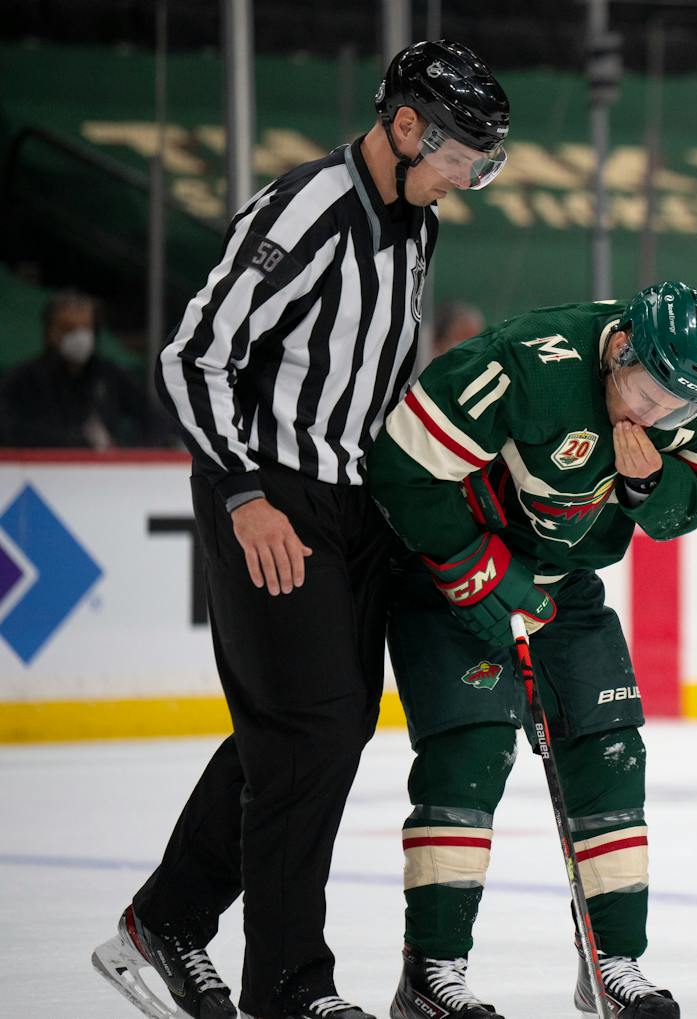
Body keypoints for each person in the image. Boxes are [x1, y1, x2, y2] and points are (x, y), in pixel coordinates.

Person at [90, 40, 510, 1019]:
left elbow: (371, 373)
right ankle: (286, 985)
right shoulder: (306, 209)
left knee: (317, 726)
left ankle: (168, 919)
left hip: (350, 498)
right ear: (405, 127)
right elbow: (195, 356)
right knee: (308, 726)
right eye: (461, 156)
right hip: (269, 494)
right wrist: (241, 491)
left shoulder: (417, 223)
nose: (467, 179)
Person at [365, 280, 697, 1019]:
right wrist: (479, 572)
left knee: (611, 749)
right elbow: (399, 465)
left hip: (564, 580)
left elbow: (694, 498)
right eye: (646, 392)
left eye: (677, 408)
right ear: (620, 349)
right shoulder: (525, 364)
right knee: (471, 749)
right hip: (454, 568)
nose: (655, 414)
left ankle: (612, 962)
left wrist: (649, 483)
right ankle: (430, 975)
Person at [0, 290, 162, 448]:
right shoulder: (24, 379)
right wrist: (75, 441)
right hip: (42, 468)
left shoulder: (109, 374)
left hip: (100, 469)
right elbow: (9, 429)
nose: (79, 336)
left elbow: (153, 417)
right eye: (69, 328)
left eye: (85, 328)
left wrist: (137, 453)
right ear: (50, 332)